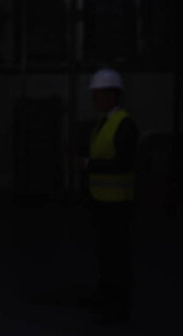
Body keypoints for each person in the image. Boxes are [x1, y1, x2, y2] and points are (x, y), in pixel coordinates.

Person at [80, 68, 138, 324]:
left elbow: (124, 163)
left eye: (100, 95)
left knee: (118, 257)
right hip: (101, 202)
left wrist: (88, 165)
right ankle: (107, 298)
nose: (96, 100)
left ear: (113, 95)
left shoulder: (124, 124)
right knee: (106, 255)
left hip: (118, 204)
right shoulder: (103, 123)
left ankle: (119, 304)